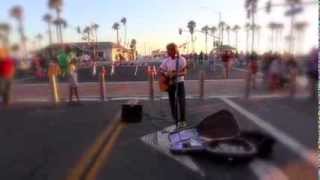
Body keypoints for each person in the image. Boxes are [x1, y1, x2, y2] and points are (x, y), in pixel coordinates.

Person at [160, 43, 187, 129]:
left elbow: (185, 72)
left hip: (179, 83)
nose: (167, 52)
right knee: (172, 103)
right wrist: (166, 74)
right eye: (167, 50)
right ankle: (176, 120)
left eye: (169, 50)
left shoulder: (182, 59)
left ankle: (183, 120)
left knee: (181, 102)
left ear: (174, 50)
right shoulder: (166, 60)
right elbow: (161, 70)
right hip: (170, 84)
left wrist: (176, 74)